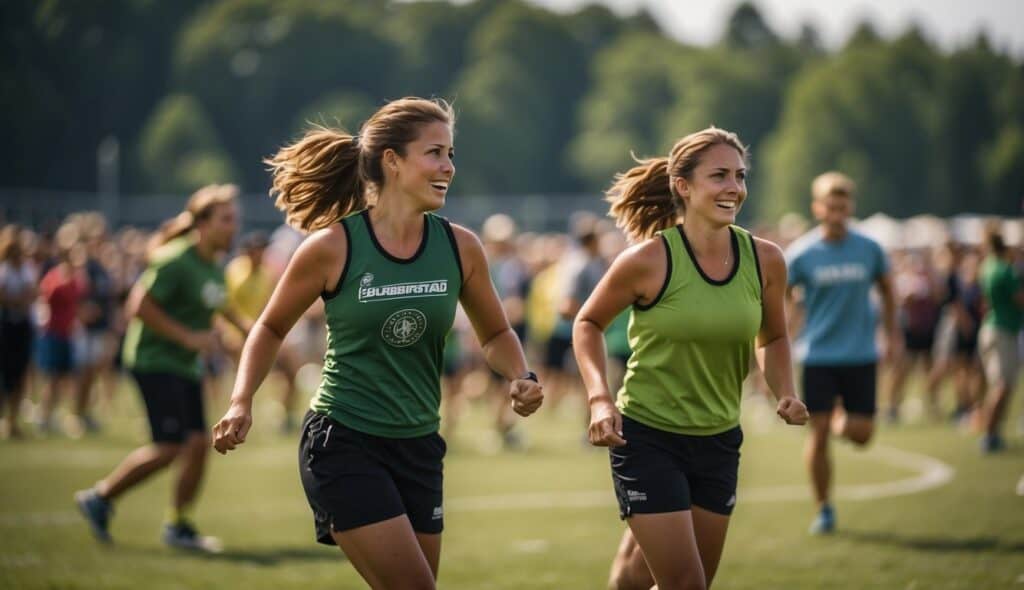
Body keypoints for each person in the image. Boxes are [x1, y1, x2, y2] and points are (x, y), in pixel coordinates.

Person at [211, 97, 544, 589]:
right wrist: (241, 400)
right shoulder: (332, 247)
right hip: (344, 441)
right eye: (434, 153)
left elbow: (495, 333)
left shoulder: (461, 246)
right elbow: (269, 327)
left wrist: (521, 375)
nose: (448, 167)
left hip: (420, 446)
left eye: (451, 154)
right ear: (392, 160)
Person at [574, 127, 808, 590]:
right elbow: (587, 324)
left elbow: (774, 337)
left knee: (641, 575)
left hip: (719, 439)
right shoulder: (648, 260)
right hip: (646, 436)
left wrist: (785, 391)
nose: (734, 188)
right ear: (683, 185)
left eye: (739, 176)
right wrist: (600, 399)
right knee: (686, 583)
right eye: (719, 175)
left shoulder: (766, 260)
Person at [74, 184, 245, 551]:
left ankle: (178, 525)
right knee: (169, 446)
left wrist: (252, 335)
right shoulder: (175, 259)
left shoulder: (212, 265)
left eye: (235, 219)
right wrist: (187, 337)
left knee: (199, 444)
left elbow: (219, 308)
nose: (234, 227)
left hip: (183, 366)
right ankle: (100, 497)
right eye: (226, 219)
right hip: (154, 361)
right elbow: (139, 306)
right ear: (202, 223)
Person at [785, 171, 900, 535]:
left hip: (862, 354)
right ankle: (824, 509)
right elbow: (778, 295)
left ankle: (837, 418)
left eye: (843, 206)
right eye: (830, 206)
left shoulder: (870, 248)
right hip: (817, 355)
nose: (837, 213)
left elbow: (887, 290)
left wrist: (893, 334)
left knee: (862, 434)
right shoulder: (802, 254)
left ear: (851, 206)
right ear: (818, 208)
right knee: (817, 435)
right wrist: (785, 326)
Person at [976, 228, 1022, 453]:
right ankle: (989, 434)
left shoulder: (987, 265)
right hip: (1003, 330)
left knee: (1002, 385)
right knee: (1002, 386)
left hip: (994, 327)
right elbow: (1019, 298)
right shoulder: (1004, 269)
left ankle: (993, 433)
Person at [0, 225, 37, 439]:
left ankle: (12, 421)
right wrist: (18, 301)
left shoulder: (26, 269)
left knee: (19, 374)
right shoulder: (4, 270)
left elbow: (32, 293)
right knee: (5, 374)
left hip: (21, 326)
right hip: (5, 326)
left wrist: (19, 300)